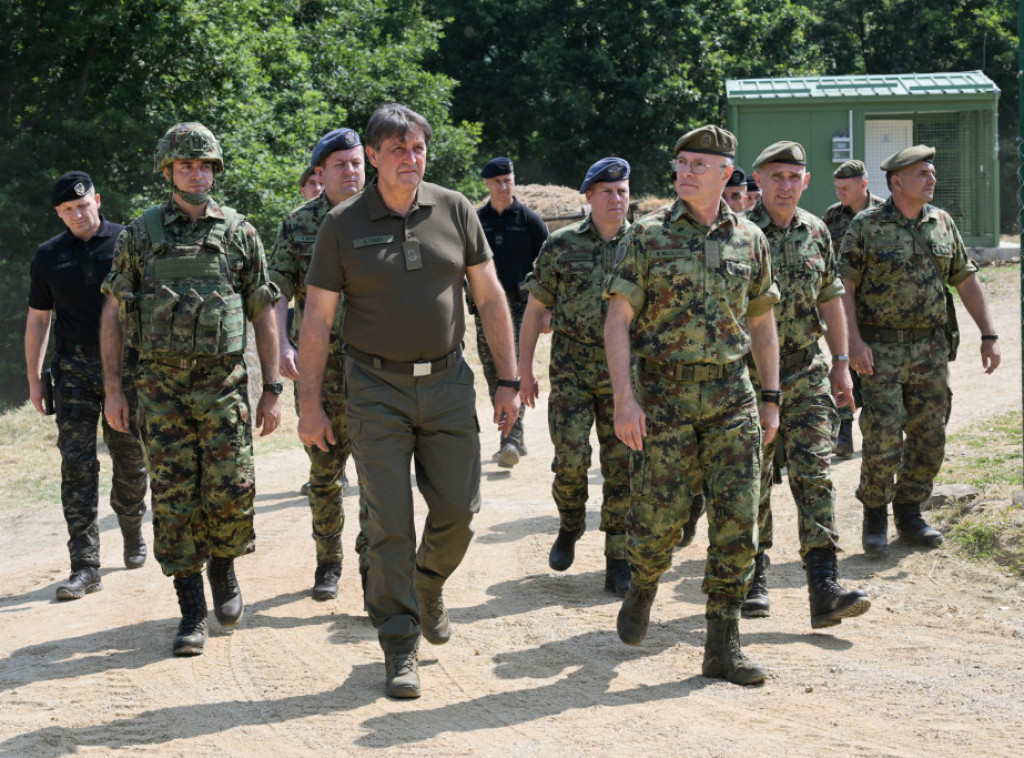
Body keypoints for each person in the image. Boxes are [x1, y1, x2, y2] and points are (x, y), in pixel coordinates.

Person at [298, 103, 520, 699]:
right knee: (390, 523)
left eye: (417, 148)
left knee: (459, 510)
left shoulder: (454, 210)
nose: (410, 159)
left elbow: (490, 296)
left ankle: (428, 584)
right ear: (372, 156)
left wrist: (509, 377)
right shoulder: (341, 225)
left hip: (448, 383)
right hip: (376, 388)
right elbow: (316, 321)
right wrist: (309, 404)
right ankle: (400, 643)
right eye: (397, 149)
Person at [605, 125, 781, 685]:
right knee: (659, 522)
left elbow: (762, 322)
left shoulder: (751, 239)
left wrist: (771, 397)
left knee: (738, 521)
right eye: (680, 163)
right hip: (663, 396)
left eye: (698, 165)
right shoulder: (647, 236)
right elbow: (618, 320)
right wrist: (624, 401)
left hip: (733, 394)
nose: (684, 173)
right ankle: (645, 583)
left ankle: (722, 643)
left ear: (726, 173)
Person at [100, 122, 282, 656]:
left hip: (223, 386)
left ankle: (223, 570)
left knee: (230, 491)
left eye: (205, 165)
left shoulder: (240, 233)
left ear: (215, 171)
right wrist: (114, 389)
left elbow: (263, 311)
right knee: (176, 499)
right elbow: (112, 314)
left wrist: (272, 387)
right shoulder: (140, 234)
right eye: (186, 165)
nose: (196, 173)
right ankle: (191, 610)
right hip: (160, 389)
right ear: (168, 170)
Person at [839, 145, 1000, 556]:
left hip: (930, 350)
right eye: (922, 174)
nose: (931, 179)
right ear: (896, 182)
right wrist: (853, 343)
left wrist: (988, 334)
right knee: (883, 436)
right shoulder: (866, 226)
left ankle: (909, 512)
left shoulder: (942, 223)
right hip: (880, 350)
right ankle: (875, 512)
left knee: (931, 436)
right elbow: (845, 289)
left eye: (932, 172)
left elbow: (965, 280)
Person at [743, 141, 870, 628]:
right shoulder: (739, 235)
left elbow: (831, 298)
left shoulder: (817, 231)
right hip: (750, 380)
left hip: (806, 372)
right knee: (753, 479)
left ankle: (824, 587)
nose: (785, 185)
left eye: (794, 176)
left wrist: (841, 363)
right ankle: (754, 578)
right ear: (758, 181)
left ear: (807, 182)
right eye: (776, 176)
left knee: (814, 475)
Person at [26, 171, 148, 601]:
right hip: (73, 369)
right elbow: (39, 319)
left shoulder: (128, 241)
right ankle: (85, 565)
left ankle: (132, 524)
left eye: (83, 205)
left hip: (127, 367)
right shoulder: (48, 255)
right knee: (76, 465)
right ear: (58, 214)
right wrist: (35, 379)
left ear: (97, 200)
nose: (78, 215)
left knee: (130, 461)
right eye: (68, 210)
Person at [517, 157, 633, 596]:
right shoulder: (561, 245)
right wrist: (523, 369)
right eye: (607, 191)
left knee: (622, 465)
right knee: (570, 460)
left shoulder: (643, 244)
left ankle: (617, 557)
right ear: (589, 197)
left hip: (624, 376)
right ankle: (570, 523)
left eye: (622, 191)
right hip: (571, 372)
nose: (616, 199)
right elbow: (534, 310)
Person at [269, 127, 367, 601]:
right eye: (340, 165)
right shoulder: (298, 225)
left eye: (356, 163)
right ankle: (328, 561)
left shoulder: (387, 215)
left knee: (377, 473)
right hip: (320, 370)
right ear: (320, 174)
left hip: (377, 368)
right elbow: (276, 294)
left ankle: (375, 564)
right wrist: (281, 349)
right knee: (325, 472)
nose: (351, 172)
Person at [474, 156, 549, 468]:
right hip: (483, 311)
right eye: (497, 182)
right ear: (488, 185)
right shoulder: (477, 221)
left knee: (511, 372)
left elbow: (549, 267)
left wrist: (547, 309)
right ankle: (510, 434)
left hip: (520, 309)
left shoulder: (530, 220)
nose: (504, 186)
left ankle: (512, 440)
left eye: (508, 180)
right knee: (494, 374)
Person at [822, 160, 885, 459]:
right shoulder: (832, 216)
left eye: (846, 188)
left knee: (875, 369)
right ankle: (843, 433)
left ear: (864, 183)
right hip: (841, 307)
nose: (840, 194)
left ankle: (877, 433)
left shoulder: (886, 214)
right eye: (837, 189)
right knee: (842, 365)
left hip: (876, 309)